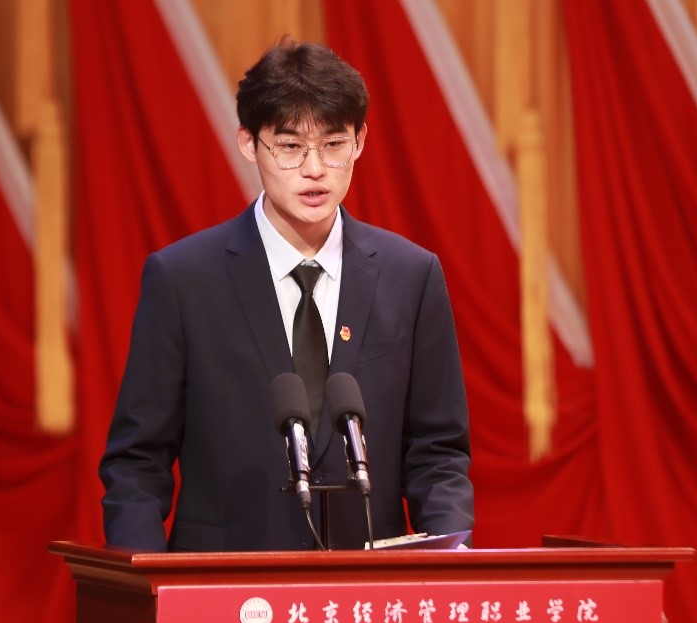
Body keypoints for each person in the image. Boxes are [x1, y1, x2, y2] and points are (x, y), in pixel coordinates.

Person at [99, 37, 474, 552]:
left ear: (360, 141)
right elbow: (138, 461)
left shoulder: (411, 275)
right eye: (291, 146)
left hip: (367, 585)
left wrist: (450, 559)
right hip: (226, 583)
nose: (314, 169)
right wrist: (147, 582)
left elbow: (439, 453)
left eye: (333, 144)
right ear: (248, 143)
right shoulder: (183, 279)